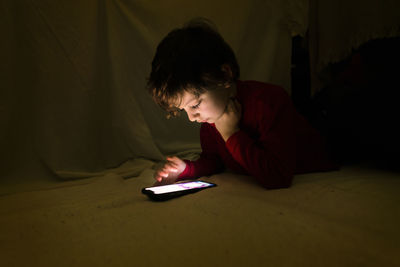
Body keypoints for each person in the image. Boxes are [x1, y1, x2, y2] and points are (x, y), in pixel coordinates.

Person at [147, 18, 337, 189]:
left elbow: (278, 176)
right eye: (184, 110)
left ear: (225, 74)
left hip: (331, 144)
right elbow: (215, 160)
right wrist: (185, 169)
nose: (192, 118)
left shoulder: (268, 102)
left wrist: (231, 134)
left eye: (195, 105)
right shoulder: (210, 119)